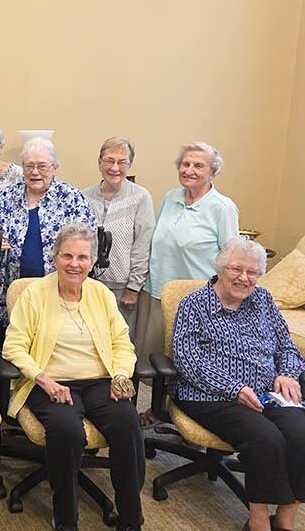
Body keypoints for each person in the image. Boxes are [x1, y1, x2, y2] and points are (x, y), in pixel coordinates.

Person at [2, 223, 144, 531]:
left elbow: (121, 341)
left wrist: (120, 376)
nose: (74, 264)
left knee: (127, 423)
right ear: (55, 258)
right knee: (68, 431)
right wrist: (43, 379)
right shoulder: (35, 294)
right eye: (67, 256)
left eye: (82, 257)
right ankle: (65, 517)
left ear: (93, 262)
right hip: (49, 381)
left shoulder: (101, 294)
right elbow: (13, 346)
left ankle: (131, 519)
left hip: (98, 380)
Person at [172, 237, 305, 531]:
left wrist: (288, 374)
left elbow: (286, 347)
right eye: (236, 269)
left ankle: (285, 520)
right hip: (210, 394)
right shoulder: (194, 304)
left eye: (253, 272)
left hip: (267, 391)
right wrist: (233, 387)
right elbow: (187, 358)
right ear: (220, 268)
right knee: (266, 439)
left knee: (301, 433)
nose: (244, 278)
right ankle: (258, 520)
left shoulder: (264, 300)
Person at [135, 142, 239, 359]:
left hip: (193, 299)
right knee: (149, 360)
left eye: (198, 166)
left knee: (183, 362)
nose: (189, 170)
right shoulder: (171, 197)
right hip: (155, 292)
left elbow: (231, 259)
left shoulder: (222, 207)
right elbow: (155, 240)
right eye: (185, 164)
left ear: (213, 171)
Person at [0, 137, 96, 329]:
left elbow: (88, 241)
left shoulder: (72, 199)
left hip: (59, 293)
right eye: (29, 166)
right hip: (13, 291)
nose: (35, 172)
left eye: (42, 166)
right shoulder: (6, 197)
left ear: (55, 167)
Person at [82, 137, 155, 339]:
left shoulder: (140, 197)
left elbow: (143, 245)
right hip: (86, 284)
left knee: (119, 341)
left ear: (130, 165)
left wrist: (133, 287)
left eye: (122, 162)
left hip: (122, 287)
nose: (115, 167)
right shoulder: (84, 196)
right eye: (109, 160)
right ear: (99, 162)